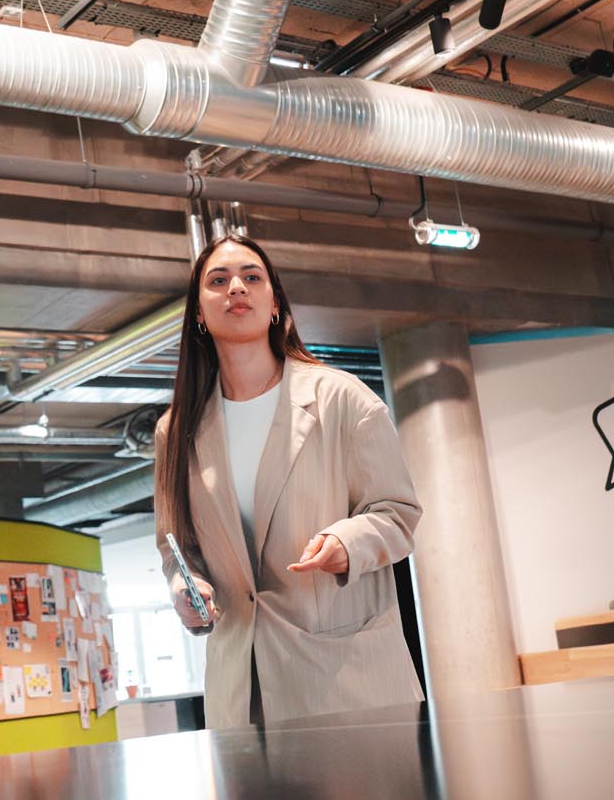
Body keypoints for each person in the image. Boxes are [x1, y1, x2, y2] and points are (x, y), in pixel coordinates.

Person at [153, 234, 422, 727]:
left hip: (344, 681)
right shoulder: (177, 429)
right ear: (198, 313)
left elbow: (398, 514)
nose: (236, 288)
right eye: (219, 280)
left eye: (251, 277)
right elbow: (176, 547)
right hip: (241, 688)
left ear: (275, 304)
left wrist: (346, 540)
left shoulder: (342, 399)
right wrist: (182, 588)